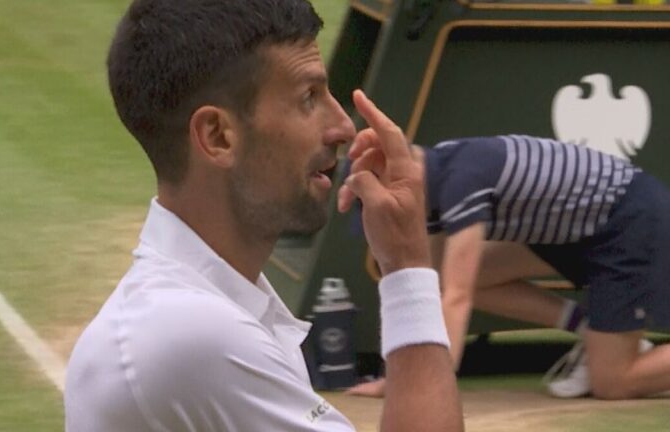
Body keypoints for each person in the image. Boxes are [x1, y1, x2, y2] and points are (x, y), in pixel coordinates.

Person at [64, 1, 464, 431]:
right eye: (309, 98)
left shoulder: (207, 308)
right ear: (218, 136)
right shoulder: (191, 334)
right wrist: (407, 267)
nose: (343, 128)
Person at [347, 135, 670, 400]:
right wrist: (397, 379)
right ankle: (590, 330)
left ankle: (604, 346)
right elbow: (426, 288)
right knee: (447, 277)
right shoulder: (433, 174)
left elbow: (456, 298)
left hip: (628, 223)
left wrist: (428, 389)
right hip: (577, 228)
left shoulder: (460, 182)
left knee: (613, 383)